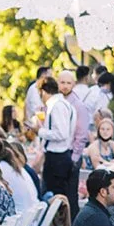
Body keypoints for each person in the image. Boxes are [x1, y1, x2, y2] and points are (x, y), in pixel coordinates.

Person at [41, 70, 79, 218]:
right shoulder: (65, 104)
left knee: (57, 201)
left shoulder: (57, 105)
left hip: (57, 158)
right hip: (61, 156)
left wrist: (40, 131)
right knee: (60, 200)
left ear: (43, 92)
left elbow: (61, 133)